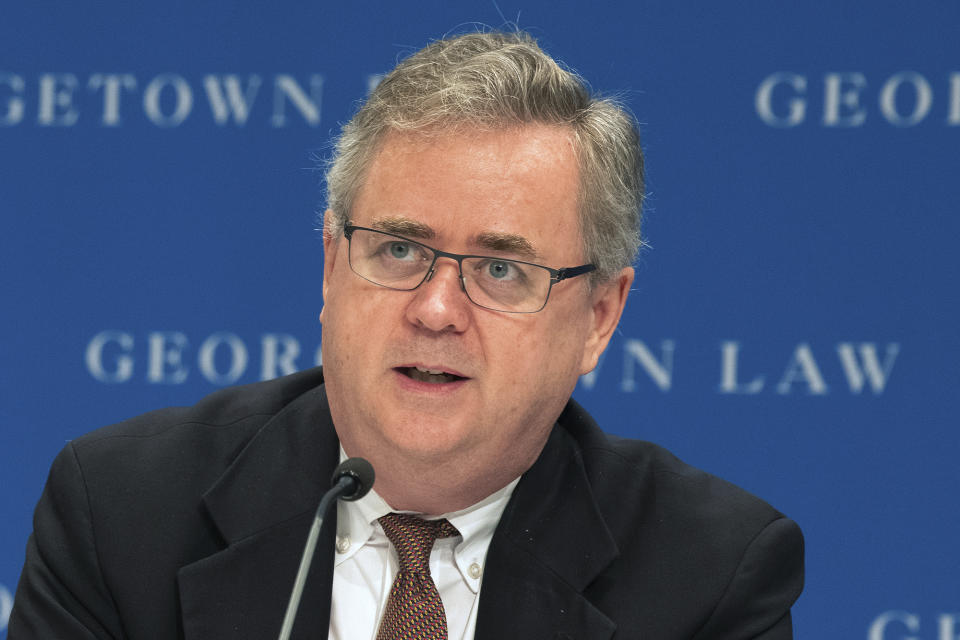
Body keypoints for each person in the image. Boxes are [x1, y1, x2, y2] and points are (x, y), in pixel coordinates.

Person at [9, 31, 803, 639]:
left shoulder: (710, 578)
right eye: (398, 250)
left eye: (500, 271)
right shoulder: (120, 512)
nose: (434, 309)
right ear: (330, 266)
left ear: (599, 316)